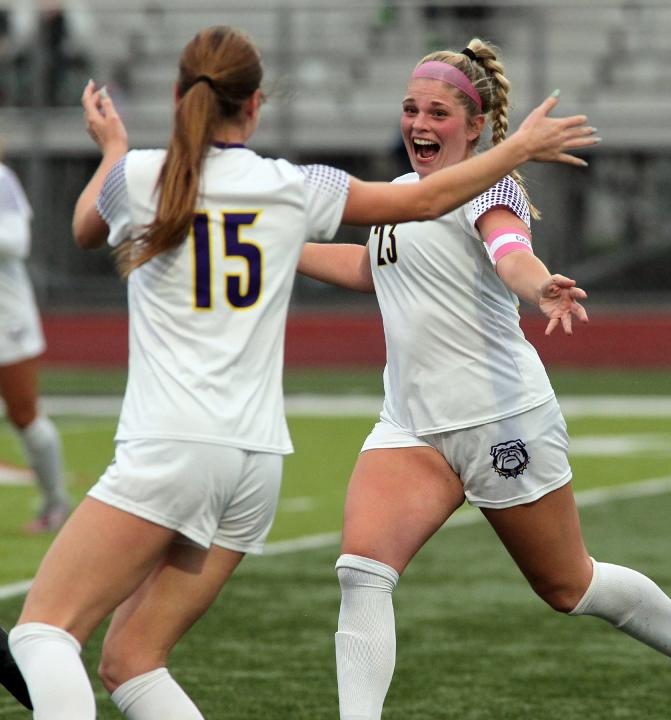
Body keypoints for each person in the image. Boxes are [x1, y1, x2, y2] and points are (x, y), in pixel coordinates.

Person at [4, 25, 596, 719]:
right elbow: (422, 203)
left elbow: (82, 227)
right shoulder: (291, 187)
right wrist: (518, 148)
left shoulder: (142, 176)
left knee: (43, 635)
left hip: (170, 446)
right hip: (255, 463)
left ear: (177, 98)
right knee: (132, 660)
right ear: (253, 107)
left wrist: (111, 151)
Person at [297, 39, 671, 720]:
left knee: (568, 586)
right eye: (410, 109)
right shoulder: (400, 197)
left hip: (501, 419)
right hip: (410, 425)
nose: (418, 124)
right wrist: (282, 249)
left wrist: (542, 288)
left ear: (474, 126)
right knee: (361, 574)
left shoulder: (489, 184)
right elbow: (371, 268)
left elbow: (511, 253)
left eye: (438, 112)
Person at [0, 160, 70, 534]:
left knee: (23, 412)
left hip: (5, 316)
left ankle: (54, 503)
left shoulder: (1, 179)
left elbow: (17, 243)